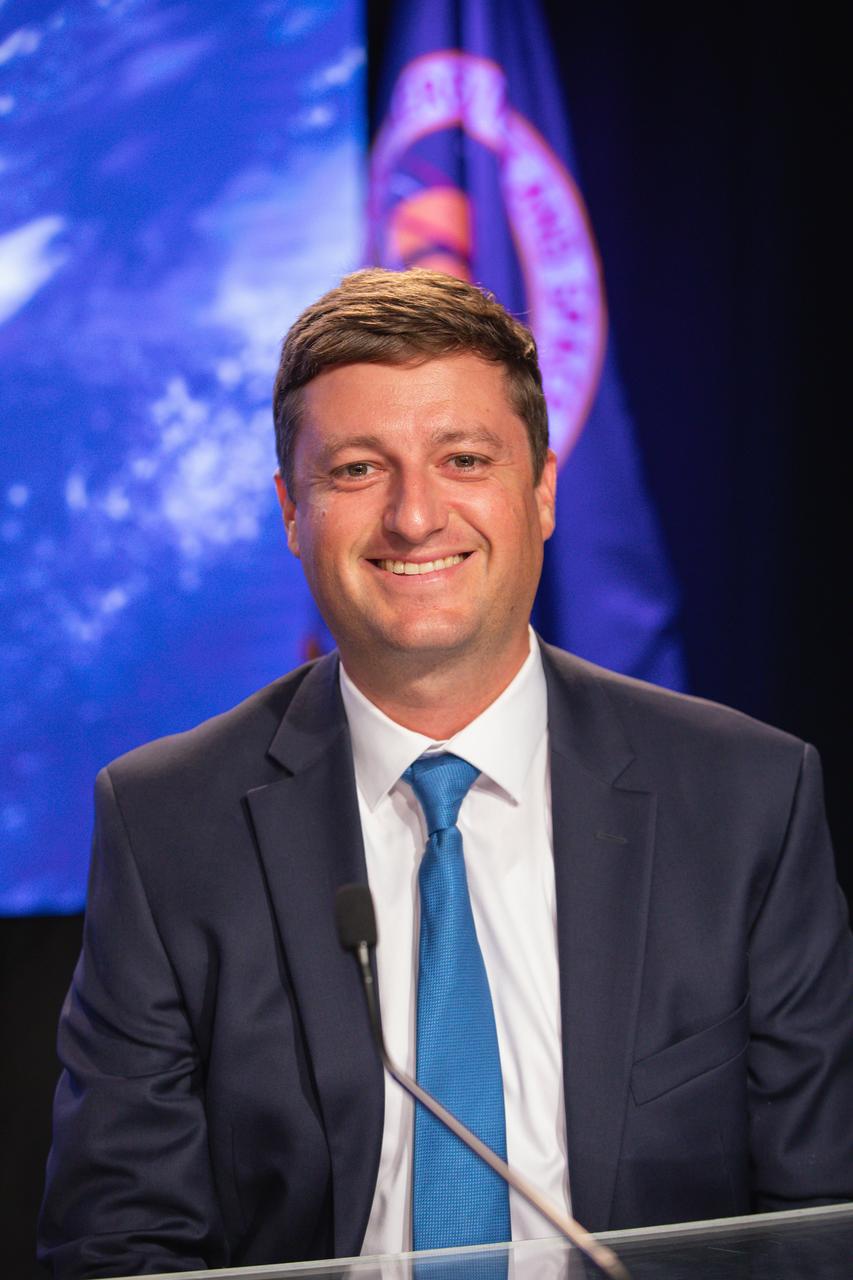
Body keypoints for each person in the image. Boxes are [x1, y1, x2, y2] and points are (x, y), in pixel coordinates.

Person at [39, 269, 853, 1278]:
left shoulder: (746, 797)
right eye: (355, 471)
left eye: (463, 458)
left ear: (543, 489)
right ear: (292, 510)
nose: (414, 516)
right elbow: (118, 1240)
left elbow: (821, 1214)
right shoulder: (166, 821)